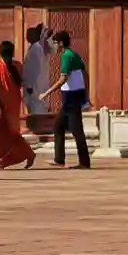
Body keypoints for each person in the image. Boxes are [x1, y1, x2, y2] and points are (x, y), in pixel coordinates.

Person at [41, 30, 91, 169]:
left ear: (61, 43)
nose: (55, 46)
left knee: (76, 130)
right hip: (73, 96)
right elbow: (85, 74)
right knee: (58, 126)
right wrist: (86, 95)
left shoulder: (66, 56)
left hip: (71, 98)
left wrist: (47, 93)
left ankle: (84, 162)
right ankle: (60, 160)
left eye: (56, 43)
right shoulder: (73, 55)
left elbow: (63, 78)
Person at [0, 40, 36, 170]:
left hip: (2, 105)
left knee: (2, 134)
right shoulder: (18, 65)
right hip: (14, 103)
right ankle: (27, 153)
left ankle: (5, 159)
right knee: (11, 132)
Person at [22, 24, 49, 116]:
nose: (27, 36)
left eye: (29, 34)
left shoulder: (35, 49)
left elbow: (33, 69)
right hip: (35, 88)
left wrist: (29, 86)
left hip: (34, 88)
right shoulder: (34, 48)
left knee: (36, 111)